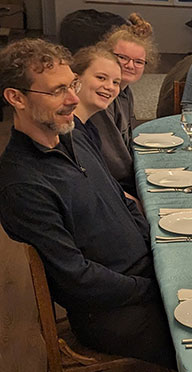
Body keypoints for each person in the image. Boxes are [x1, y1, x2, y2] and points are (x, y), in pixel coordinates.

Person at [0, 38, 175, 368]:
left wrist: (157, 257)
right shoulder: (22, 184)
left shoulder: (73, 135)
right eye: (56, 91)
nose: (71, 99)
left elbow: (121, 201)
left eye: (73, 85)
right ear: (16, 98)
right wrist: (152, 286)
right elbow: (76, 280)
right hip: (112, 312)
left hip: (144, 275)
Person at [91, 13, 159, 198]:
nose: (130, 65)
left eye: (138, 62)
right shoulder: (103, 99)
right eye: (123, 58)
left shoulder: (125, 91)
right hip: (107, 185)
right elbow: (116, 163)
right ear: (107, 55)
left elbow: (130, 135)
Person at [71, 45, 122, 147]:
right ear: (75, 79)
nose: (110, 87)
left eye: (116, 82)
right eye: (101, 78)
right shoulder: (69, 134)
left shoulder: (90, 129)